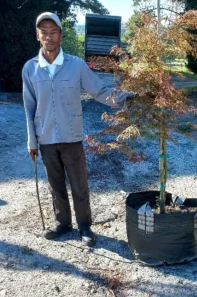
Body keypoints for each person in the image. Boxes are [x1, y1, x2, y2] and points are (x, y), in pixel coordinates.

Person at [22, 12, 130, 246]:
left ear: (61, 35)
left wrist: (127, 97)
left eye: (53, 32)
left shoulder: (76, 66)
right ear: (38, 36)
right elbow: (29, 108)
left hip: (71, 137)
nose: (49, 37)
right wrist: (32, 142)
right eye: (44, 32)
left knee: (79, 184)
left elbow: (100, 91)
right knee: (56, 184)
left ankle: (84, 226)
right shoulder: (30, 69)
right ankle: (63, 224)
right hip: (46, 138)